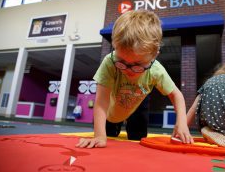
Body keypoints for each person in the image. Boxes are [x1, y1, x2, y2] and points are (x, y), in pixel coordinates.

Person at [76, 9, 193, 148]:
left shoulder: (156, 70)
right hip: (110, 111)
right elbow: (101, 102)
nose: (129, 70)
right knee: (107, 137)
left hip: (137, 106)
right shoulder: (110, 62)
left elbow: (176, 95)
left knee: (138, 141)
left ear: (154, 56)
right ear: (115, 47)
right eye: (122, 61)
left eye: (138, 64)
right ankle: (111, 128)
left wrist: (182, 122)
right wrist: (100, 136)